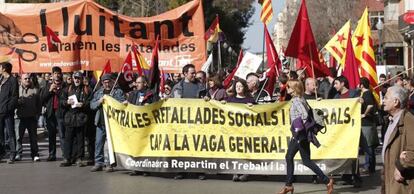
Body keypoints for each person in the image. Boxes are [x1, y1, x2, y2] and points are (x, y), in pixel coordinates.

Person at [278, 79, 333, 194]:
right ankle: (289, 185)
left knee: (294, 158)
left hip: (300, 135)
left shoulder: (297, 100)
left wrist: (297, 129)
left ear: (294, 88)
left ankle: (326, 181)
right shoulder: (299, 98)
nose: (287, 89)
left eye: (288, 87)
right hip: (300, 134)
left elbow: (304, 115)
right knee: (299, 159)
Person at [171, 64, 206, 180]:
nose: (194, 75)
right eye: (192, 73)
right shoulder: (177, 87)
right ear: (185, 74)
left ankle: (199, 171)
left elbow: (208, 100)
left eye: (194, 72)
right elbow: (172, 103)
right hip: (182, 122)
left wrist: (206, 99)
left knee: (197, 146)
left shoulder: (201, 86)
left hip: (197, 121)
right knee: (182, 146)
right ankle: (181, 171)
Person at [382, 86, 414, 193]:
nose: (383, 101)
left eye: (386, 98)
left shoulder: (408, 120)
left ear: (396, 102)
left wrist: (401, 166)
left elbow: (412, 151)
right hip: (390, 179)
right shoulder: (392, 120)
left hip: (402, 183)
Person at [90, 74, 125, 172]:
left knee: (111, 144)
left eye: (108, 82)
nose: (107, 84)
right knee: (99, 143)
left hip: (112, 123)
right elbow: (92, 105)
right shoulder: (98, 93)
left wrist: (114, 101)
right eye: (105, 82)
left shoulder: (117, 91)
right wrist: (99, 102)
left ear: (112, 82)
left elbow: (122, 103)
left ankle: (109, 163)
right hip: (100, 122)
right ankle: (98, 163)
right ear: (102, 83)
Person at [333, 75, 362, 187]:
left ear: (342, 83)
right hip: (341, 130)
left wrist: (360, 101)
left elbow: (360, 106)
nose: (334, 86)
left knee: (353, 154)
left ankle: (357, 178)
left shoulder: (354, 94)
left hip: (352, 129)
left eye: (336, 83)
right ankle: (346, 177)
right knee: (343, 153)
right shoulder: (336, 97)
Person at [223, 79, 255, 182]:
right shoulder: (230, 99)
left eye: (240, 86)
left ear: (244, 87)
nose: (238, 88)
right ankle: (235, 172)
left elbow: (259, 112)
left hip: (246, 131)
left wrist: (253, 106)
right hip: (234, 130)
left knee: (246, 151)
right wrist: (222, 103)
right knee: (235, 151)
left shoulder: (250, 99)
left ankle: (246, 173)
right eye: (236, 86)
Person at [126, 76, 157, 176]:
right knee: (135, 146)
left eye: (139, 83)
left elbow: (158, 106)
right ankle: (136, 168)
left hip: (147, 126)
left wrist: (150, 106)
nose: (137, 84)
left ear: (145, 84)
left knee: (145, 147)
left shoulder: (152, 94)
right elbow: (128, 105)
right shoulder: (132, 94)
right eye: (136, 82)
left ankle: (145, 168)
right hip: (135, 125)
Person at [60, 72, 92, 167]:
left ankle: (79, 158)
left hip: (80, 117)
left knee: (80, 139)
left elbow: (90, 102)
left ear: (82, 79)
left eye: (79, 78)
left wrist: (84, 104)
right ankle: (67, 158)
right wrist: (66, 102)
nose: (77, 80)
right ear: (73, 78)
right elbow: (61, 101)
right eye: (75, 78)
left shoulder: (86, 89)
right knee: (68, 139)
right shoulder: (67, 89)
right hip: (70, 117)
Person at [40, 66, 66, 161]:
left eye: (58, 73)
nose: (57, 75)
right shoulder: (47, 86)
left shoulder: (64, 86)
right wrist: (50, 91)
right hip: (50, 113)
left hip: (61, 113)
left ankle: (65, 155)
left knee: (62, 134)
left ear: (61, 75)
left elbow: (65, 98)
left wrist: (58, 91)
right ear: (52, 75)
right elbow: (42, 99)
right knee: (51, 135)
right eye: (55, 73)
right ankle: (52, 154)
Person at [15, 73, 41, 162]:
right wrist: (17, 102)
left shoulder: (35, 90)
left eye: (29, 78)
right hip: (19, 118)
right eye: (25, 78)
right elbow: (12, 102)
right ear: (21, 80)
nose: (27, 80)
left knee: (33, 138)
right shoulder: (16, 90)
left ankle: (35, 155)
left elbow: (39, 104)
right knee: (18, 138)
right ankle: (18, 154)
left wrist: (38, 114)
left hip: (31, 117)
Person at [359, 77, 379, 175]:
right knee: (368, 146)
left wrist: (364, 114)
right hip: (367, 124)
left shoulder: (367, 93)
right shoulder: (365, 93)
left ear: (361, 85)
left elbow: (370, 105)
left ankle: (368, 166)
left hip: (367, 124)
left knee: (368, 146)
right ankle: (371, 167)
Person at [0, 62, 19, 164]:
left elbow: (14, 97)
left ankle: (12, 154)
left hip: (7, 112)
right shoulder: (1, 79)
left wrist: (8, 108)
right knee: (0, 135)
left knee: (10, 133)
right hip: (0, 111)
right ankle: (1, 153)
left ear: (4, 69)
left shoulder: (12, 80)